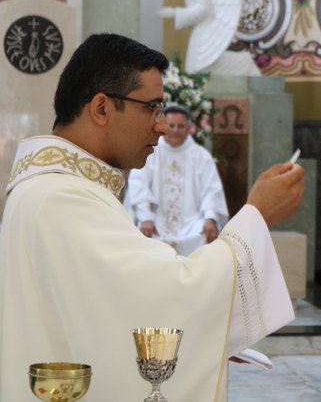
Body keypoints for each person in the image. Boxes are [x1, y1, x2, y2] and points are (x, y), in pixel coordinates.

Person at [0, 33, 304, 402]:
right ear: (101, 108)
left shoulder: (58, 187)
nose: (161, 126)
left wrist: (204, 338)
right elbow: (171, 289)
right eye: (152, 108)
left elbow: (102, 310)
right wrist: (257, 215)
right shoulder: (60, 197)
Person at [127, 104, 229, 255]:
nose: (175, 130)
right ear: (163, 126)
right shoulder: (150, 152)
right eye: (171, 125)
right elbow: (138, 184)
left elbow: (211, 190)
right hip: (156, 221)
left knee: (204, 234)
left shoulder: (201, 156)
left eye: (181, 126)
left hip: (191, 223)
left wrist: (210, 218)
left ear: (189, 128)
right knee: (144, 233)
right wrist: (146, 217)